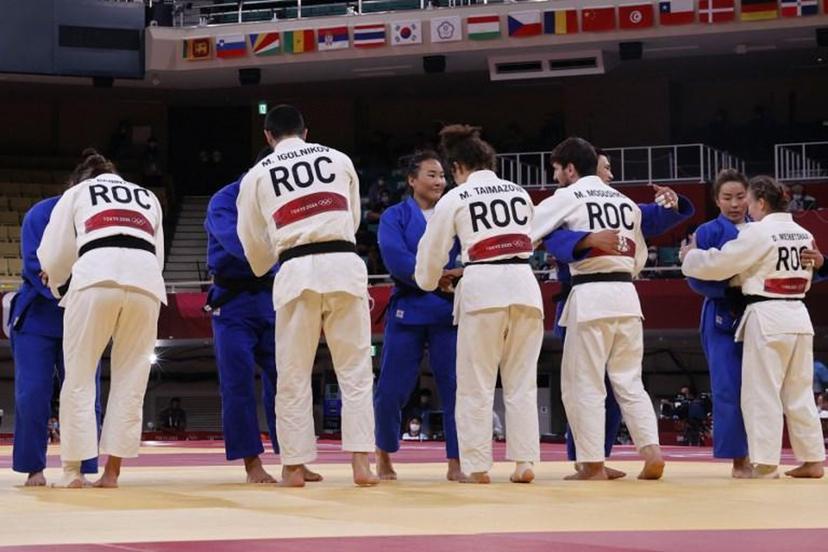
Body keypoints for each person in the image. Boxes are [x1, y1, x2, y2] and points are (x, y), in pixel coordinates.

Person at [236, 105, 378, 487]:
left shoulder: (258, 174)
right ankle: (362, 463)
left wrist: (274, 255)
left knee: (293, 373)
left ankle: (294, 466)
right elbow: (353, 218)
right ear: (306, 131)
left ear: (268, 136)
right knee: (356, 371)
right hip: (344, 265)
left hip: (296, 269)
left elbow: (253, 244)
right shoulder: (338, 159)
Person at [544, 148, 694, 479]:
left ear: (570, 168)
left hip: (590, 295)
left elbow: (532, 229)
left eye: (556, 169)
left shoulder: (568, 197)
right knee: (629, 381)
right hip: (627, 295)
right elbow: (646, 232)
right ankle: (652, 451)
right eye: (607, 167)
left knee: (584, 384)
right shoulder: (625, 203)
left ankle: (593, 464)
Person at [415, 124, 543, 484]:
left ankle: (476, 466)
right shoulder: (519, 193)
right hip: (525, 287)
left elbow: (431, 252)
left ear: (457, 167)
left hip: (483, 289)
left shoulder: (456, 198)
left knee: (476, 383)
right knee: (521, 381)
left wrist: (428, 281)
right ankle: (524, 462)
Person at [681, 175, 824, 479]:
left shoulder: (759, 233)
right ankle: (812, 460)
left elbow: (720, 263)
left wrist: (689, 257)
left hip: (767, 313)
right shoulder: (803, 233)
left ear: (760, 202)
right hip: (799, 314)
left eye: (747, 200)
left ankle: (765, 462)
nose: (743, 206)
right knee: (799, 391)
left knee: (762, 393)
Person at [38, 153, 166, 488]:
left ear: (81, 178)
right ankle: (112, 473)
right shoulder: (146, 196)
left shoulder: (78, 194)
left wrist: (57, 285)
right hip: (146, 282)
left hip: (95, 277)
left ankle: (72, 473)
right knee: (131, 379)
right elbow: (158, 253)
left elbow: (53, 253)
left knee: (78, 376)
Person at [10, 160, 104, 487]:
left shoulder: (101, 220)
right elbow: (38, 266)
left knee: (84, 393)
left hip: (83, 315)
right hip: (39, 313)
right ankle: (33, 468)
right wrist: (73, 292)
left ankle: (80, 468)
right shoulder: (41, 213)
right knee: (33, 393)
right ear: (72, 188)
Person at [374, 150, 464, 481]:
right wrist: (434, 276)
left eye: (442, 175)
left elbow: (470, 252)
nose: (440, 180)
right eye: (431, 174)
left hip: (446, 310)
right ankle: (383, 453)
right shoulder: (394, 217)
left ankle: (456, 461)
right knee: (391, 389)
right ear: (412, 180)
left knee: (455, 387)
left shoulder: (456, 213)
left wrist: (455, 274)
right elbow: (395, 257)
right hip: (408, 307)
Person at [206, 153, 288, 485]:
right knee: (237, 382)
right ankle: (251, 462)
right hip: (234, 302)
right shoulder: (225, 200)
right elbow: (241, 246)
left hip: (272, 296)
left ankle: (293, 457)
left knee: (287, 380)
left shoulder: (280, 196)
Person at [684, 169, 752, 477]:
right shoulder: (707, 231)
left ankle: (762, 455)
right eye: (727, 198)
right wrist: (728, 289)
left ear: (750, 197)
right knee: (727, 388)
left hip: (757, 315)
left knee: (760, 389)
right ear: (716, 200)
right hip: (720, 315)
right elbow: (695, 278)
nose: (735, 204)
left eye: (740, 197)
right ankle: (739, 460)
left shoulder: (761, 229)